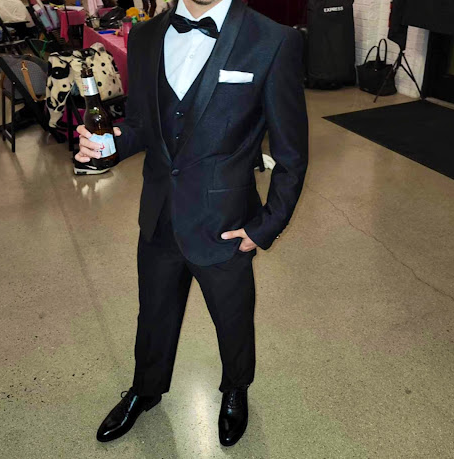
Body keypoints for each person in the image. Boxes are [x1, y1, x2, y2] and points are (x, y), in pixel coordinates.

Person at [75, 0, 308, 447]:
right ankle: (145, 389)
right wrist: (112, 144)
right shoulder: (145, 37)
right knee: (153, 312)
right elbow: (142, 123)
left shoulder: (274, 41)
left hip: (226, 222)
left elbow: (291, 155)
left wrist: (265, 226)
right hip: (159, 214)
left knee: (233, 317)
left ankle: (235, 388)